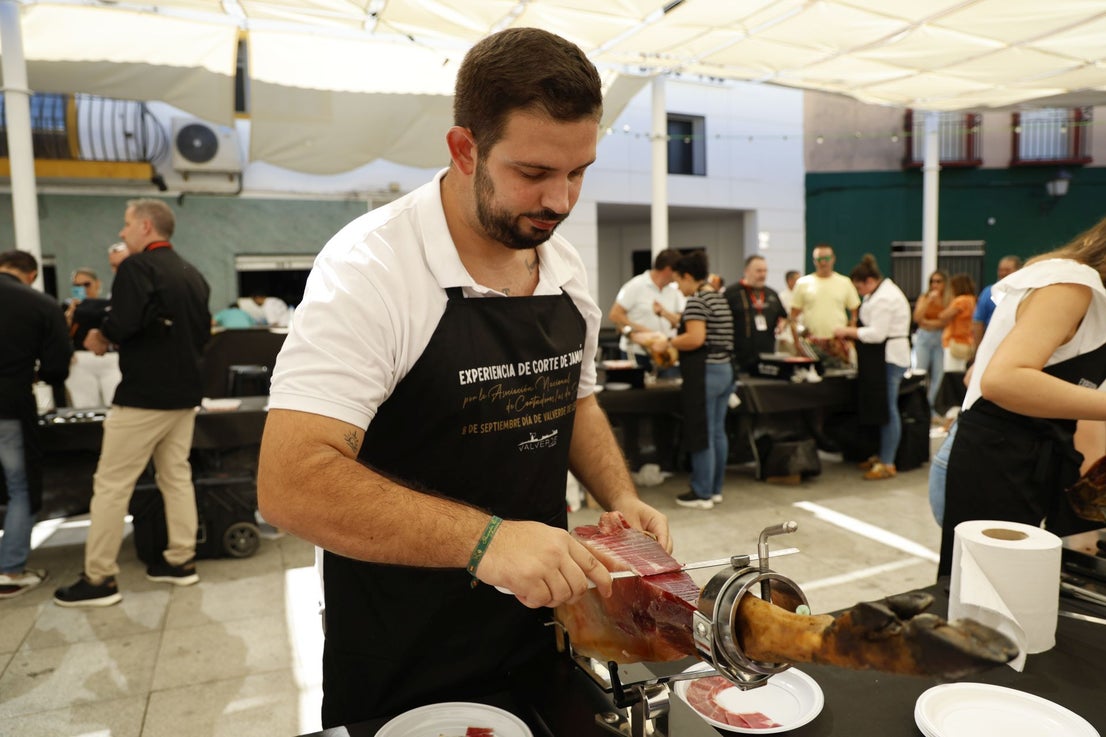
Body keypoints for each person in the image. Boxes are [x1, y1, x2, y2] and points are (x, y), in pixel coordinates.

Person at [255, 28, 670, 728]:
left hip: (544, 629)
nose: (561, 199)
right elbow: (289, 480)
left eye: (579, 172)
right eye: (534, 172)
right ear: (463, 149)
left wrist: (621, 495)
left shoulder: (563, 266)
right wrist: (487, 542)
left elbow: (574, 395)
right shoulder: (371, 270)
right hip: (402, 646)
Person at [54, 199, 211, 607]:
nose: (122, 234)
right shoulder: (193, 273)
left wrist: (100, 337)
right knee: (175, 476)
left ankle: (100, 578)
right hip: (184, 395)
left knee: (111, 485)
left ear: (144, 226)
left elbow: (123, 320)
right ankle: (180, 561)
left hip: (144, 396)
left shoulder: (137, 268)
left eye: (125, 226)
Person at [938, 217, 1106, 577]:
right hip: (990, 460)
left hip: (1027, 461)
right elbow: (1003, 380)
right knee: (983, 607)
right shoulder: (1071, 285)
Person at [0, 250, 71, 598]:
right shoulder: (38, 303)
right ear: (30, 274)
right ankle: (10, 571)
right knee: (20, 488)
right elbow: (58, 368)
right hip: (9, 406)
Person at [650, 251, 734, 508]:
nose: (677, 287)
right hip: (724, 370)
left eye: (678, 281)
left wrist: (668, 341)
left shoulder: (697, 301)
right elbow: (697, 326)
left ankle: (702, 493)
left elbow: (695, 338)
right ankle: (715, 488)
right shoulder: (717, 298)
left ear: (688, 276)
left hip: (705, 373)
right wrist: (667, 315)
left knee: (701, 433)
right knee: (717, 432)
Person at [833, 255, 912, 480]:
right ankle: (882, 453)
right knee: (881, 407)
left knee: (888, 410)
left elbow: (877, 334)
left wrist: (848, 332)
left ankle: (888, 462)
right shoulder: (876, 294)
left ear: (869, 281)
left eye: (859, 287)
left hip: (889, 357)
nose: (859, 292)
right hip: (880, 358)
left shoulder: (884, 298)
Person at [609, 248, 683, 371]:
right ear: (668, 269)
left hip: (665, 353)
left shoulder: (674, 290)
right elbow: (614, 315)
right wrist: (644, 330)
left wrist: (665, 313)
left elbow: (680, 321)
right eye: (677, 272)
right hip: (637, 352)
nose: (678, 276)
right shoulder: (635, 285)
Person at [790, 243, 861, 366]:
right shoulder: (803, 283)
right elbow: (792, 317)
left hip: (838, 343)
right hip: (810, 343)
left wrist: (851, 339)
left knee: (841, 380)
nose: (823, 262)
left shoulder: (844, 282)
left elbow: (855, 312)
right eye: (819, 259)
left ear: (833, 259)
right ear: (814, 261)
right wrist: (796, 342)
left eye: (827, 258)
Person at [63, 267, 122, 408]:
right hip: (81, 358)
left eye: (86, 284)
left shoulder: (111, 304)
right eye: (77, 286)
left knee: (114, 403)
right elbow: (62, 332)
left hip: (110, 358)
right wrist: (70, 313)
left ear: (97, 283)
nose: (82, 289)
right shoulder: (67, 307)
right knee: (84, 405)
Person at [724, 254, 787, 374]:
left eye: (765, 271)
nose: (763, 275)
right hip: (738, 359)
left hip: (767, 357)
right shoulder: (731, 293)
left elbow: (784, 317)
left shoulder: (772, 294)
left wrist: (782, 324)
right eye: (758, 271)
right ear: (746, 271)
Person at [912, 269, 952, 421]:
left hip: (941, 339)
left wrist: (929, 323)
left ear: (944, 283)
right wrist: (929, 301)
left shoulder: (949, 298)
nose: (935, 285)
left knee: (938, 376)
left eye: (938, 281)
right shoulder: (925, 297)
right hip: (924, 338)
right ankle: (918, 407)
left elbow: (946, 320)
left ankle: (930, 408)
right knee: (919, 372)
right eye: (932, 281)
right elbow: (917, 317)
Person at [971, 255, 1022, 347]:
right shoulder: (988, 292)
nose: (1003, 273)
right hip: (993, 344)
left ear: (1019, 270)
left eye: (1007, 270)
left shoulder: (1024, 292)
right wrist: (978, 348)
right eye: (1000, 270)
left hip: (1018, 342)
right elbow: (978, 322)